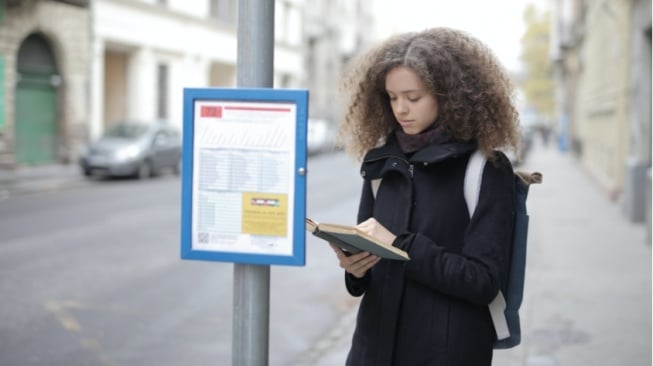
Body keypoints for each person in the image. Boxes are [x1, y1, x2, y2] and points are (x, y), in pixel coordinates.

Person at [330, 27, 521, 365]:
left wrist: (402, 246)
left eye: (413, 97)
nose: (401, 109)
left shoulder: (484, 168)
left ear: (448, 95)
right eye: (391, 97)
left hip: (446, 353)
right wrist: (355, 269)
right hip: (372, 350)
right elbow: (367, 277)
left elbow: (483, 282)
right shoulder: (380, 162)